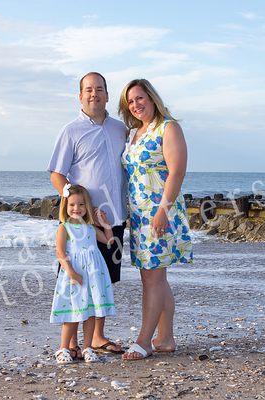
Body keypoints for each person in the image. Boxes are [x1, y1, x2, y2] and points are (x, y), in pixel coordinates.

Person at [47, 72, 127, 356]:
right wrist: (74, 204)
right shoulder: (71, 131)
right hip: (82, 224)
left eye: (100, 89)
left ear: (107, 94)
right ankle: (68, 343)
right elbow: (57, 174)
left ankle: (96, 338)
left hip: (114, 219)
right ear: (80, 96)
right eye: (89, 89)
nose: (95, 94)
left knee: (103, 279)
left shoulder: (121, 129)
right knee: (75, 279)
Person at [119, 79, 193, 360]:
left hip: (160, 211)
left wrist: (163, 210)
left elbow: (177, 172)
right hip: (139, 216)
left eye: (140, 98)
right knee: (155, 276)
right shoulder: (134, 133)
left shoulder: (168, 127)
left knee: (152, 277)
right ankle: (166, 338)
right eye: (131, 102)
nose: (136, 105)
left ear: (151, 98)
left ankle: (144, 340)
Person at [50, 184, 116, 364]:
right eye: (72, 205)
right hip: (76, 275)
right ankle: (63, 348)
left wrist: (105, 224)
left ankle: (87, 348)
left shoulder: (89, 227)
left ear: (87, 206)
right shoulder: (65, 228)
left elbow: (109, 241)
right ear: (65, 206)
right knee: (73, 312)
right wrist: (71, 272)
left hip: (94, 275)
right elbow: (60, 254)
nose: (76, 209)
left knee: (91, 312)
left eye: (81, 205)